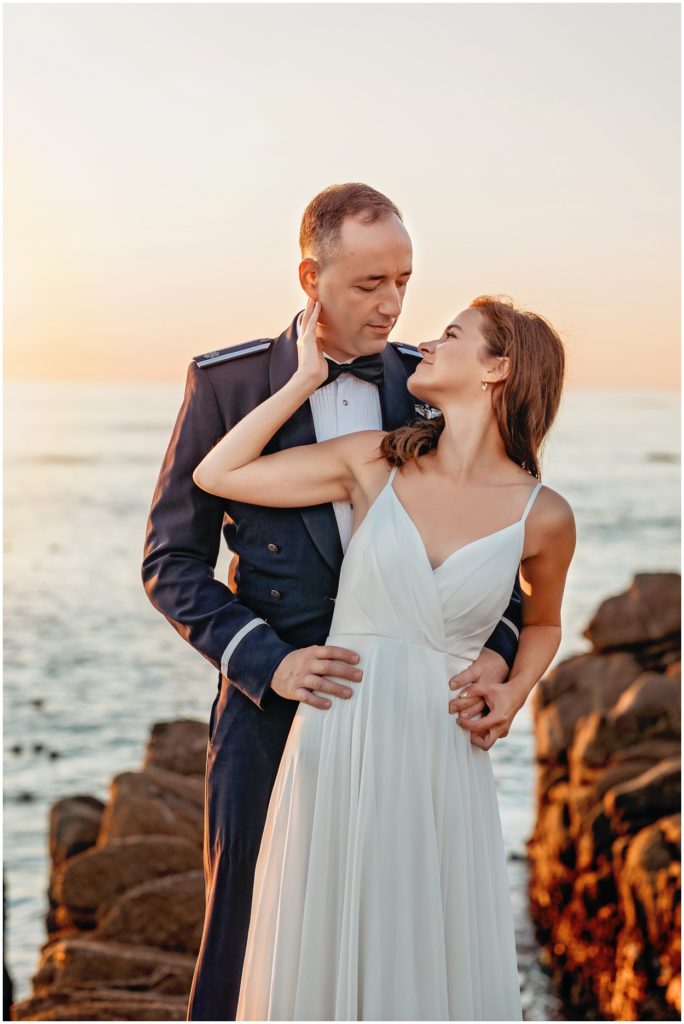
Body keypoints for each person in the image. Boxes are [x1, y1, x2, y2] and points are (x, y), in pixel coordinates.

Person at [141, 183, 523, 1021]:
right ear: (310, 275)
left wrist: (498, 654)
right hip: (273, 712)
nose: (392, 306)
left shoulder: (432, 385)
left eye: (405, 281)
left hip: (412, 721)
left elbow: (501, 537)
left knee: (400, 940)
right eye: (368, 284)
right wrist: (271, 666)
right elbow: (172, 560)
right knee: (248, 949)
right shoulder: (229, 383)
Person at [193, 291, 575, 1021]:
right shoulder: (377, 462)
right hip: (340, 732)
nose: (425, 341)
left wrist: (517, 685)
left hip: (442, 753)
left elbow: (545, 623)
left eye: (453, 334)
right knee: (323, 946)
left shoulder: (545, 514)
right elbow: (219, 474)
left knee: (422, 959)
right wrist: (302, 380)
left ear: (498, 368)